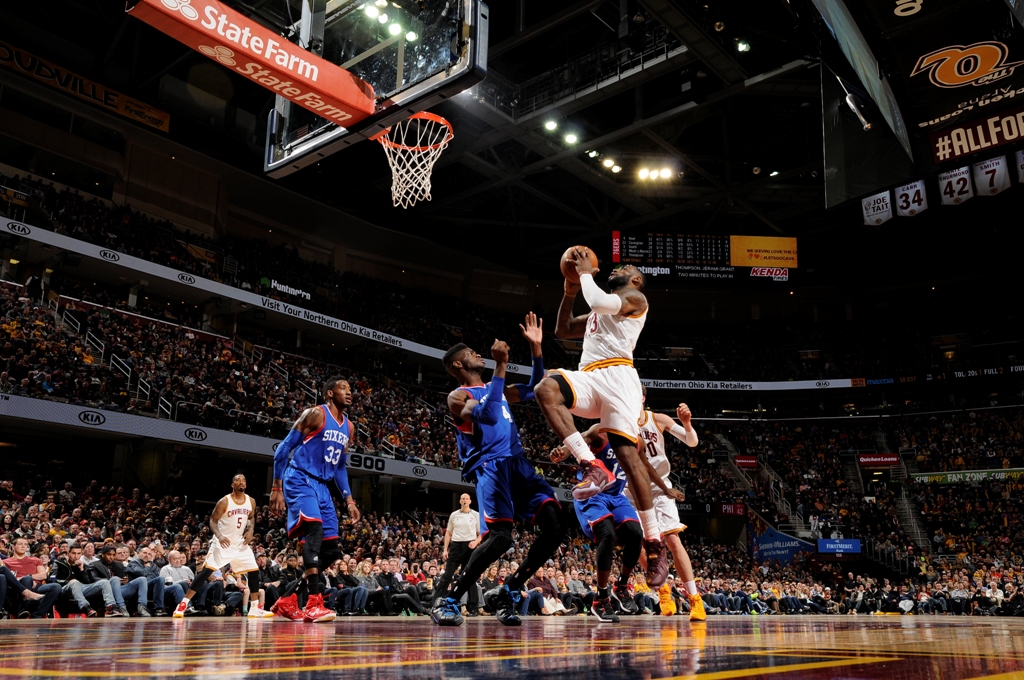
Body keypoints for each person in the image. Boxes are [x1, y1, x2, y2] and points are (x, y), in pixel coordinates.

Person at [533, 253, 667, 586]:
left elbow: (597, 299)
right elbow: (563, 329)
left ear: (635, 280)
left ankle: (654, 542)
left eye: (627, 268)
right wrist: (568, 289)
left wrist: (583, 276)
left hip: (621, 377)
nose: (619, 269)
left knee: (627, 454)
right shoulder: (599, 306)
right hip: (590, 376)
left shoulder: (635, 299)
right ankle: (590, 464)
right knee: (546, 389)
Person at [436, 313, 565, 627]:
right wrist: (501, 366)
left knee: (555, 527)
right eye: (470, 355)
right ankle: (449, 600)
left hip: (518, 462)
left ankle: (510, 589)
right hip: (490, 467)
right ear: (457, 365)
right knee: (502, 537)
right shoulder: (458, 397)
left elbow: (536, 387)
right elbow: (490, 416)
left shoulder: (499, 389)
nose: (477, 355)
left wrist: (536, 349)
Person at [270, 377, 361, 623]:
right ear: (330, 393)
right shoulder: (315, 414)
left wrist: (349, 500)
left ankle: (288, 600)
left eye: (351, 389)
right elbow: (283, 448)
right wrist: (276, 486)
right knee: (314, 534)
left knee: (331, 551)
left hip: (323, 486)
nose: (349, 393)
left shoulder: (349, 427)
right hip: (299, 477)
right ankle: (313, 603)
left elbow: (341, 467)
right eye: (344, 388)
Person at [552, 426, 643, 623]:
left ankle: (621, 585)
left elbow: (636, 471)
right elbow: (578, 440)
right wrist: (563, 451)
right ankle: (601, 598)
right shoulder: (601, 431)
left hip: (617, 496)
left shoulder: (637, 440)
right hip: (592, 495)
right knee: (607, 534)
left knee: (636, 532)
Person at [630, 397, 707, 621]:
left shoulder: (658, 419)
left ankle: (695, 599)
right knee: (637, 544)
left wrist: (687, 423)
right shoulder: (620, 420)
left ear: (641, 397)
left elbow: (692, 442)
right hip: (632, 489)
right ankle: (662, 590)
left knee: (673, 541)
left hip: (660, 487)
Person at [173, 474, 272, 619]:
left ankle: (254, 608)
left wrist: (250, 530)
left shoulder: (251, 501)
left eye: (244, 480)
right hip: (222, 543)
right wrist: (219, 536)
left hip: (239, 543)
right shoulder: (224, 502)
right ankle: (182, 604)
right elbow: (213, 521)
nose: (241, 482)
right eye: (238, 480)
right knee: (206, 572)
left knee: (254, 571)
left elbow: (251, 518)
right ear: (232, 484)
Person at [435, 493, 481, 616]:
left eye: (466, 499)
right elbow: (448, 533)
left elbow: (480, 533)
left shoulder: (476, 515)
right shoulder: (454, 515)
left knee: (469, 577)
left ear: (470, 501)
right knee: (447, 575)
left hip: (469, 546)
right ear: (460, 501)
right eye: (462, 499)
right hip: (455, 546)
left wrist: (476, 542)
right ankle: (436, 603)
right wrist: (445, 549)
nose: (464, 500)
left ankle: (473, 608)